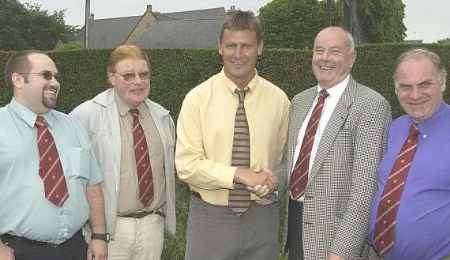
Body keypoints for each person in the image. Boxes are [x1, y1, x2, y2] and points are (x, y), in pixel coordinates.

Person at [175, 10, 290, 260]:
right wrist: (239, 175)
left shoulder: (279, 101)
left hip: (262, 219)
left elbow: (285, 161)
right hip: (210, 218)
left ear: (260, 47)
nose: (238, 54)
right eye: (231, 46)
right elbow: (186, 166)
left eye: (246, 46)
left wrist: (274, 180)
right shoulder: (196, 99)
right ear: (220, 47)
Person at [284, 26, 391, 260]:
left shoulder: (371, 105)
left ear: (351, 58)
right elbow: (292, 165)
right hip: (295, 228)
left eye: (334, 51)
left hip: (335, 242)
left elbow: (365, 191)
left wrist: (341, 252)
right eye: (319, 50)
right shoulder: (299, 102)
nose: (324, 58)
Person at [70, 44, 176, 260]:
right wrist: (95, 231)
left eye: (144, 74)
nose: (138, 81)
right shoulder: (85, 116)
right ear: (112, 77)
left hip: (152, 225)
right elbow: (73, 179)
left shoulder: (162, 117)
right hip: (109, 230)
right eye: (128, 75)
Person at [0, 51, 107, 260]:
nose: (55, 82)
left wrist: (99, 236)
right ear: (19, 79)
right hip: (17, 251)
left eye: (56, 76)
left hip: (75, 249)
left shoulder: (73, 126)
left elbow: (92, 185)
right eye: (46, 75)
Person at [368, 48, 450, 260]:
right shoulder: (394, 129)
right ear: (395, 90)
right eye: (406, 87)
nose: (415, 95)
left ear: (443, 82)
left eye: (425, 84)